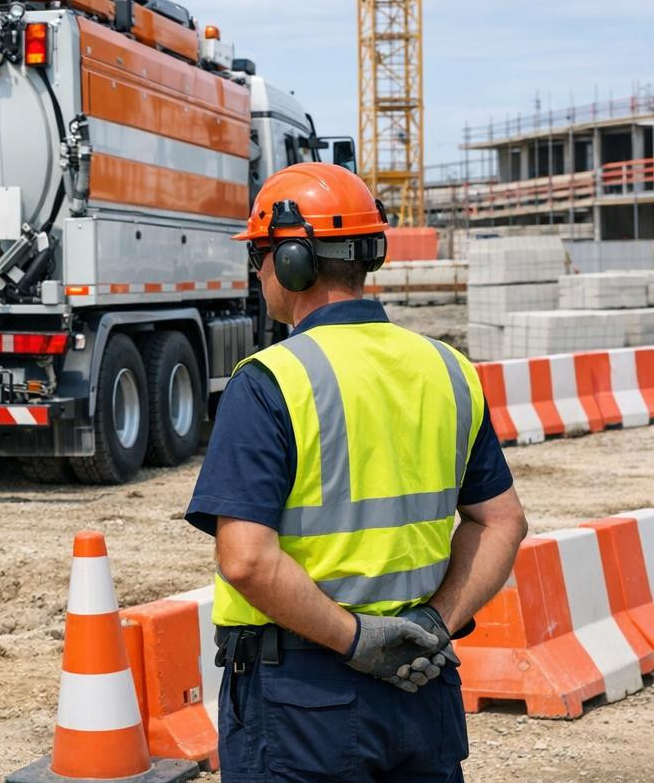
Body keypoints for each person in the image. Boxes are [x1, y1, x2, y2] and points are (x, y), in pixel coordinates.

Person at [185, 164, 528, 783]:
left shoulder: (270, 381)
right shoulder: (448, 369)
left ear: (293, 260)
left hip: (302, 703)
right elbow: (502, 522)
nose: (257, 274)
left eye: (260, 257)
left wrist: (353, 639)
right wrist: (435, 622)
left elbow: (246, 561)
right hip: (422, 687)